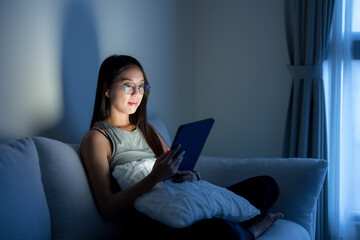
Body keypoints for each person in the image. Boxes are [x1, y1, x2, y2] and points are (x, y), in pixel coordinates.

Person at [80, 55, 283, 239]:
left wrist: (192, 175)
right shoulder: (97, 138)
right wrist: (153, 178)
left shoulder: (146, 129)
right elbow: (106, 207)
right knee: (221, 230)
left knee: (267, 185)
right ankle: (250, 231)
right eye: (128, 86)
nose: (137, 93)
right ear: (107, 89)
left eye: (142, 86)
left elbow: (174, 168)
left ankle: (233, 222)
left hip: (181, 202)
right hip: (153, 220)